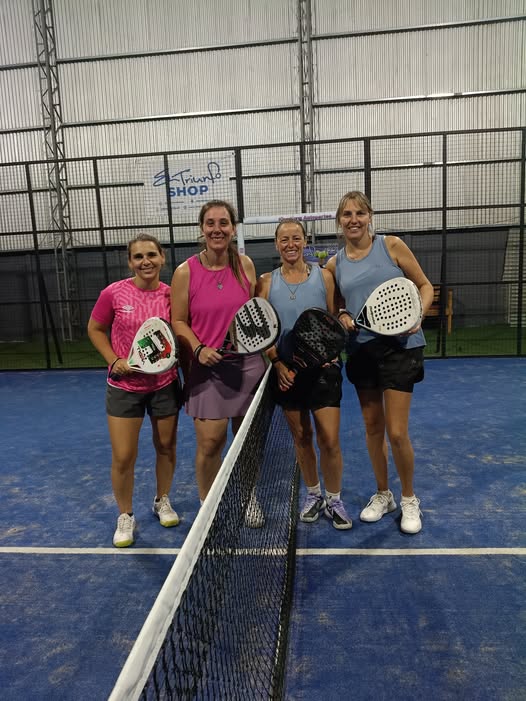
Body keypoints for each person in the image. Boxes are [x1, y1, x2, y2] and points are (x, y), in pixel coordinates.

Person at [326, 191, 434, 534]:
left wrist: (419, 314)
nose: (353, 220)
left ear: (370, 216)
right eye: (347, 214)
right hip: (361, 351)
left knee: (397, 431)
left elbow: (424, 285)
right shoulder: (335, 265)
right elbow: (338, 306)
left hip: (401, 347)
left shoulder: (391, 246)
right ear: (339, 221)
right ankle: (383, 494)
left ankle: (409, 499)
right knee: (373, 428)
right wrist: (343, 315)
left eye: (359, 213)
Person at [170, 200, 266, 523]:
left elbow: (253, 311)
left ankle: (248, 495)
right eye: (210, 223)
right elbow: (178, 320)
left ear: (233, 229)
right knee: (211, 443)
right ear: (202, 229)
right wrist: (198, 349)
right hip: (206, 368)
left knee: (246, 442)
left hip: (247, 366)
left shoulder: (245, 265)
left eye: (223, 223)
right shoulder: (185, 272)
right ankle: (208, 506)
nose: (217, 229)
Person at [87, 233, 183, 548]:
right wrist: (113, 359)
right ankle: (125, 515)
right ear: (130, 262)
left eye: (151, 255)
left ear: (162, 258)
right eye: (138, 256)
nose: (146, 262)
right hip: (124, 388)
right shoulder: (113, 293)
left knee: (166, 446)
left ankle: (162, 500)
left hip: (165, 385)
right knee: (124, 456)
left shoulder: (172, 295)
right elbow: (95, 328)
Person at [256, 219, 352, 530]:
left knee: (330, 440)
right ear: (276, 244)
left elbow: (332, 319)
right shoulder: (265, 283)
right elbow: (263, 331)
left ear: (305, 241)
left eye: (296, 238)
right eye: (284, 239)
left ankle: (334, 499)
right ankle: (313, 494)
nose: (291, 244)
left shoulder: (324, 277)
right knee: (301, 437)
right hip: (287, 373)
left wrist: (331, 352)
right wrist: (277, 364)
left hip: (323, 372)